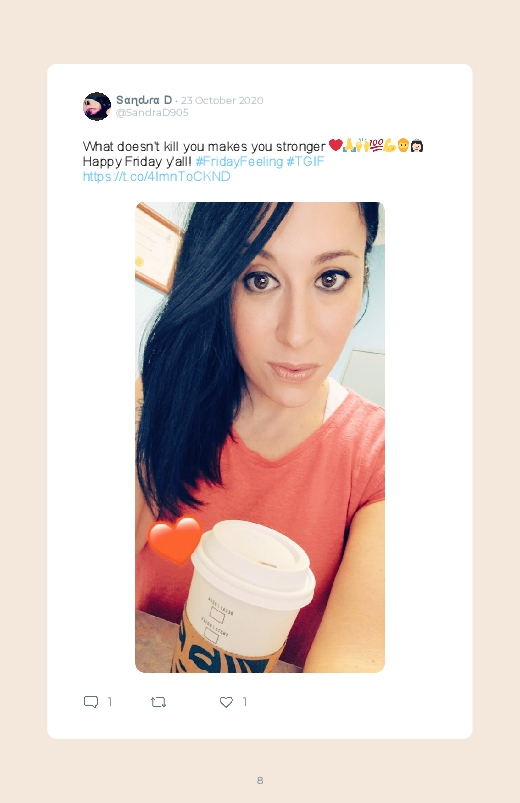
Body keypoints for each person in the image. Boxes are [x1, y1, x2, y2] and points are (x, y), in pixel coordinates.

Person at [136, 202, 385, 672]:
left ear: (363, 279)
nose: (296, 334)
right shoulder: (158, 401)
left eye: (330, 278)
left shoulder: (381, 456)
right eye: (259, 279)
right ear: (216, 283)